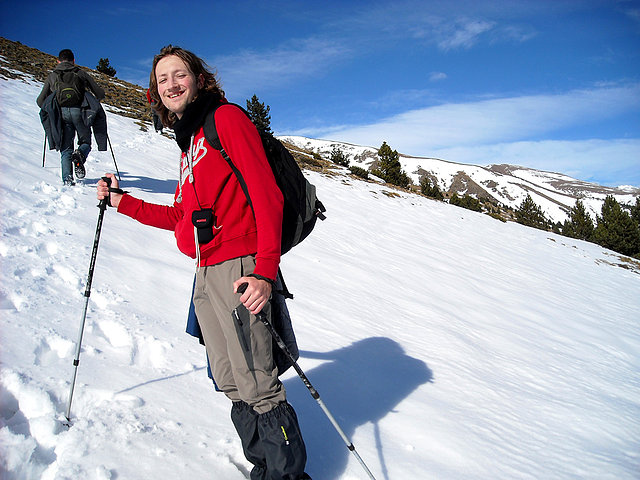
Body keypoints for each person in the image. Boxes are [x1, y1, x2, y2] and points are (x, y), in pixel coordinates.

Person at [97, 45, 310, 480]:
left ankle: (288, 475)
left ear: (198, 79)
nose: (172, 85)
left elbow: (266, 195)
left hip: (241, 266)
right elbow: (178, 217)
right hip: (205, 272)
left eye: (180, 75)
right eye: (162, 80)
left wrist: (265, 272)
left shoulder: (226, 120)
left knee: (258, 381)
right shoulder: (189, 144)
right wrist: (122, 203)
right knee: (230, 378)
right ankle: (265, 467)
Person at [37, 49, 105, 185]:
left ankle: (67, 180)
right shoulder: (81, 73)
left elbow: (40, 101)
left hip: (61, 115)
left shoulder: (52, 76)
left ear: (58, 61)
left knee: (65, 147)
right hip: (81, 113)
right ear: (74, 60)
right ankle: (80, 154)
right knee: (85, 142)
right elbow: (100, 94)